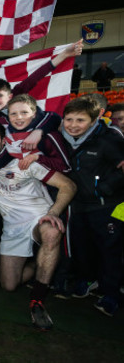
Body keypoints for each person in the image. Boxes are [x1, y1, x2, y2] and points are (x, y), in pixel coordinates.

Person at [0, 121, 77, 329]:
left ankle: (37, 300)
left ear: (3, 140)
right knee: (9, 285)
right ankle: (42, 263)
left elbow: (69, 185)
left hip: (38, 217)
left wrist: (53, 213)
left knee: (51, 232)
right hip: (12, 227)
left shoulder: (24, 161)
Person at [61, 97, 124, 316]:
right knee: (82, 247)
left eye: (80, 119)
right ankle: (87, 281)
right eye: (69, 119)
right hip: (78, 206)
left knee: (110, 250)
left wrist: (104, 188)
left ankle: (111, 294)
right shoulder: (64, 139)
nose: (73, 124)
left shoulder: (108, 139)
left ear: (94, 119)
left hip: (106, 206)